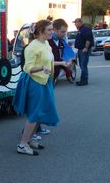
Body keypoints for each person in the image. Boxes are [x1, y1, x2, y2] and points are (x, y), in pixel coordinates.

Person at [13, 20, 70, 156]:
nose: (52, 32)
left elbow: (48, 62)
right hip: (35, 83)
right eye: (49, 30)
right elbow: (27, 68)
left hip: (45, 82)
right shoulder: (32, 47)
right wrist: (41, 68)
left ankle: (30, 140)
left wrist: (62, 62)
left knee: (39, 114)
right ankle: (22, 144)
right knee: (35, 114)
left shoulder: (45, 44)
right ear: (40, 31)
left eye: (52, 30)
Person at [73, 18, 94, 86]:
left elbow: (88, 39)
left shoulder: (85, 28)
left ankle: (84, 80)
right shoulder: (81, 29)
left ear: (79, 22)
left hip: (84, 49)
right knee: (82, 65)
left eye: (75, 23)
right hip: (81, 49)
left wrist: (86, 47)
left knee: (83, 65)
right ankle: (82, 79)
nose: (75, 24)